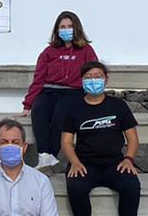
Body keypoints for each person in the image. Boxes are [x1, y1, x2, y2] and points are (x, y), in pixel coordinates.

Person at [59, 61, 143, 216]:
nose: (93, 80)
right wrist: (75, 162)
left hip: (115, 163)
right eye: (88, 77)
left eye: (97, 76)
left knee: (131, 185)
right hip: (85, 164)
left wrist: (129, 159)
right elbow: (66, 141)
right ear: (82, 81)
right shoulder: (73, 108)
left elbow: (132, 138)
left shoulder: (118, 106)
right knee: (75, 186)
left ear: (106, 79)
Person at [22, 11, 98, 170]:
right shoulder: (49, 51)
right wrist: (28, 104)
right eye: (62, 26)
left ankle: (52, 154)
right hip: (49, 90)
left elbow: (93, 73)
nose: (66, 29)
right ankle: (44, 155)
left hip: (73, 92)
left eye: (70, 26)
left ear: (76, 28)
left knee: (61, 114)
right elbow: (39, 78)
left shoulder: (86, 50)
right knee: (40, 108)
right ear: (57, 30)